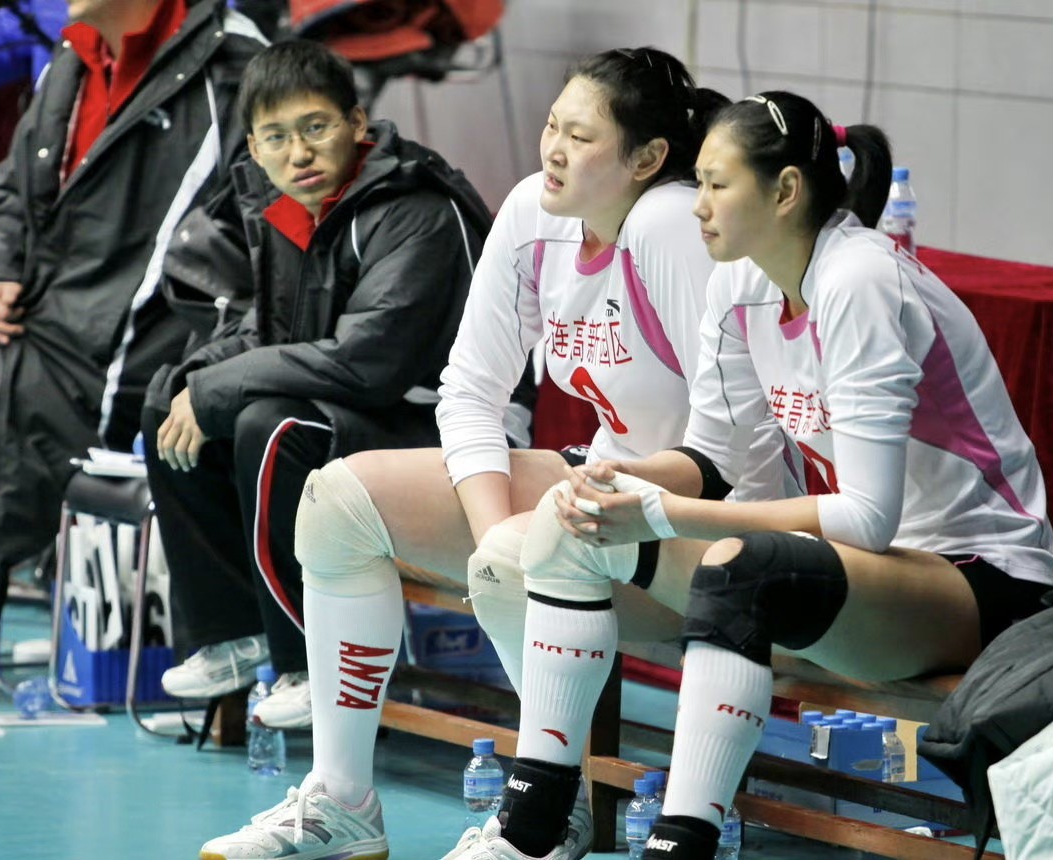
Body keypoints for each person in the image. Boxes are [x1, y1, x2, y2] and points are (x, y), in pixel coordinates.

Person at [197, 47, 792, 860]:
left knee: (528, 550)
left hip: (707, 523)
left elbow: (742, 444)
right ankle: (343, 800)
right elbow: (469, 391)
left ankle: (547, 809)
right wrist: (491, 536)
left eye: (580, 137)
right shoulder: (532, 212)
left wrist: (539, 540)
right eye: (552, 126)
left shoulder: (668, 227)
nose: (553, 149)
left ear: (647, 158)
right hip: (603, 487)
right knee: (339, 500)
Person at [531, 91, 1053, 860]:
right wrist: (620, 480)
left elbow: (866, 518)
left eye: (717, 185)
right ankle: (533, 824)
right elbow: (714, 461)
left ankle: (680, 844)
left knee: (742, 570)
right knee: (568, 529)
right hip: (867, 575)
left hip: (977, 579)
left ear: (784, 191)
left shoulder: (861, 281)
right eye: (698, 184)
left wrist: (667, 514)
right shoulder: (739, 281)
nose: (697, 206)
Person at [0, 0, 266, 630]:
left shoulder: (235, 66)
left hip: (87, 364)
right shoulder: (74, 57)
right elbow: (6, 195)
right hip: (28, 320)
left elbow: (249, 259)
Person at [145, 38, 505, 728]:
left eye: (316, 127)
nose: (299, 153)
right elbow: (274, 333)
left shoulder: (415, 209)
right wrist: (196, 382)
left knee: (273, 427)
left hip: (456, 432)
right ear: (254, 148)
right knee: (171, 399)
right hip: (369, 411)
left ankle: (314, 660)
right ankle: (236, 634)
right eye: (276, 137)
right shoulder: (288, 208)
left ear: (357, 123)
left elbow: (368, 362)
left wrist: (218, 389)